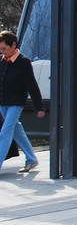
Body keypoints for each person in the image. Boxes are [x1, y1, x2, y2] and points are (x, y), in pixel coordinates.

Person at [0, 30, 45, 174]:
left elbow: (32, 85)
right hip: (2, 102)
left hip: (16, 102)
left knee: (5, 132)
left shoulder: (23, 62)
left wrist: (39, 107)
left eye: (4, 48)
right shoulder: (2, 61)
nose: (2, 51)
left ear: (13, 45)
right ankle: (31, 159)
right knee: (17, 131)